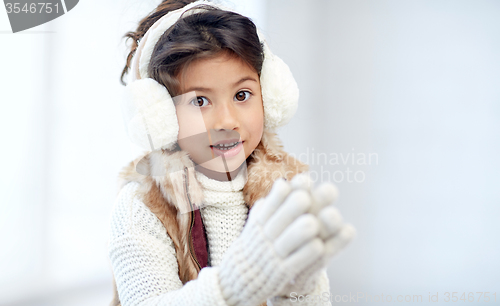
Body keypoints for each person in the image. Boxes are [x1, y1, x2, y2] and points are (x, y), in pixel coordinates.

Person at [108, 1, 355, 305]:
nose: (227, 121)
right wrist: (235, 285)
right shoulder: (142, 204)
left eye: (242, 95)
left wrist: (299, 289)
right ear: (160, 116)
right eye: (200, 101)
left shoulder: (282, 192)